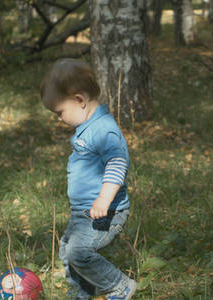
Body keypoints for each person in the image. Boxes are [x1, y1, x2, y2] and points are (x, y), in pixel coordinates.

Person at [40, 58, 136, 300]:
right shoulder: (88, 127)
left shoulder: (103, 129)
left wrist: (103, 199)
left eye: (59, 112)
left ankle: (119, 285)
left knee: (79, 252)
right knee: (67, 250)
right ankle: (82, 293)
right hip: (83, 210)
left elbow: (117, 163)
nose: (59, 119)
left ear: (79, 100)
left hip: (105, 210)